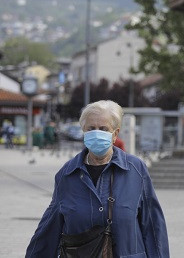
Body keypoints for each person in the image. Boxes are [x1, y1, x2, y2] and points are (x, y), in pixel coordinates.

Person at [26, 100, 169, 257]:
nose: (97, 133)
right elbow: (49, 229)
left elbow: (153, 226)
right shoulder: (67, 174)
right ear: (84, 132)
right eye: (91, 128)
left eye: (103, 129)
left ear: (115, 134)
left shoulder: (136, 170)